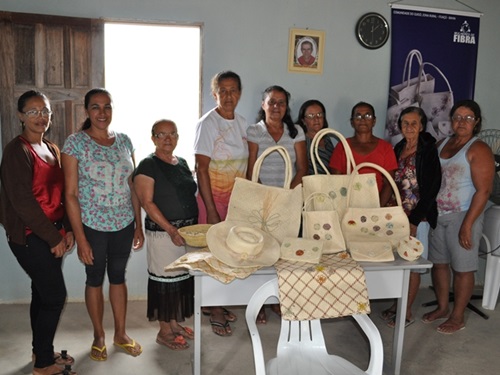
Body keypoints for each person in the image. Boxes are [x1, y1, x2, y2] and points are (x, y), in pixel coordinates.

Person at [62, 88, 144, 360]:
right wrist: (81, 237)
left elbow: (131, 185)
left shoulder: (124, 141)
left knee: (119, 277)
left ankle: (120, 333)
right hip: (93, 225)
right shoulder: (75, 143)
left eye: (107, 107)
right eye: (95, 107)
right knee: (95, 279)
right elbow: (70, 194)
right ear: (87, 111)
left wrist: (138, 224)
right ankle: (99, 334)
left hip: (123, 223)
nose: (102, 113)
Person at [0, 90, 77, 375]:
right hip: (30, 237)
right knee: (55, 296)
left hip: (53, 233)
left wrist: (67, 229)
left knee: (42, 293)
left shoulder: (52, 149)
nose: (40, 117)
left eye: (44, 111)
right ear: (21, 116)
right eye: (32, 112)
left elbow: (63, 194)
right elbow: (23, 203)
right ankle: (44, 364)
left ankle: (40, 351)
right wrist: (54, 238)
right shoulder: (16, 151)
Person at [422, 100, 494, 334]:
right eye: (458, 117)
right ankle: (443, 308)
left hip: (463, 215)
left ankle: (458, 316)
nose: (462, 122)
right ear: (451, 120)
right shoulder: (442, 143)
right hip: (439, 215)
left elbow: (484, 191)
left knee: (463, 269)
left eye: (468, 118)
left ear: (477, 122)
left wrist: (468, 225)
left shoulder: (478, 149)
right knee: (440, 265)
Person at [133, 119, 197, 350]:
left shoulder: (181, 162)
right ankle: (164, 331)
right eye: (161, 135)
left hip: (186, 234)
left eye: (172, 134)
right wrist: (171, 230)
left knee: (179, 281)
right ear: (153, 139)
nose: (168, 139)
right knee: (164, 281)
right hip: (164, 235)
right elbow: (147, 202)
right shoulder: (148, 165)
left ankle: (174, 324)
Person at [247, 85, 308, 324]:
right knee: (260, 253)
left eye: (281, 103)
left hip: (288, 199)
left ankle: (279, 300)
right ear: (263, 105)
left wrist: (285, 195)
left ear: (286, 107)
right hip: (261, 199)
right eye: (271, 102)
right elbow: (252, 167)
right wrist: (266, 195)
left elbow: (302, 167)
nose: (276, 107)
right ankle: (259, 303)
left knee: (283, 254)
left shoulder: (296, 132)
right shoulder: (254, 131)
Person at [194, 71, 248, 336]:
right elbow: (201, 168)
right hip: (211, 200)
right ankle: (214, 308)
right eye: (222, 91)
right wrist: (212, 211)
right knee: (212, 255)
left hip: (234, 202)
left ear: (240, 93)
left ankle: (217, 302)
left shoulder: (242, 123)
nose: (228, 96)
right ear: (214, 94)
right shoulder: (208, 123)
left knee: (229, 253)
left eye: (233, 90)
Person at [379, 107, 441, 328]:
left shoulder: (428, 150)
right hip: (396, 215)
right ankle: (397, 305)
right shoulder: (398, 147)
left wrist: (415, 219)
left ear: (422, 125)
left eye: (414, 123)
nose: (409, 127)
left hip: (418, 218)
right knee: (398, 262)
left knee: (412, 263)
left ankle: (406, 312)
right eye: (405, 123)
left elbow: (433, 188)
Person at [329, 101, 397, 206]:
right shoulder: (342, 146)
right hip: (347, 206)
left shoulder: (385, 148)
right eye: (358, 116)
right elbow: (336, 182)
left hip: (376, 207)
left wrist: (376, 209)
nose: (363, 120)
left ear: (374, 121)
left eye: (368, 115)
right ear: (352, 122)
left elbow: (389, 184)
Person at [296, 99, 334, 174]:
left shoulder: (327, 138)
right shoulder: (301, 142)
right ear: (303, 121)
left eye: (319, 115)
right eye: (311, 116)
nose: (316, 119)